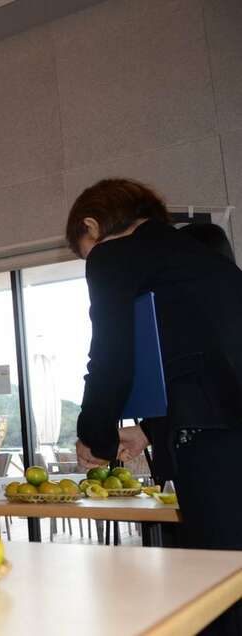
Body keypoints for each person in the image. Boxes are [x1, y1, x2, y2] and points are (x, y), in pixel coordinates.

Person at [68, 179, 241, 634]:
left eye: (85, 250)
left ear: (93, 225)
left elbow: (111, 354)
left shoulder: (114, 255)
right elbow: (199, 357)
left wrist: (97, 434)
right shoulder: (198, 258)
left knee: (220, 586)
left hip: (212, 442)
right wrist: (147, 430)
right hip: (222, 422)